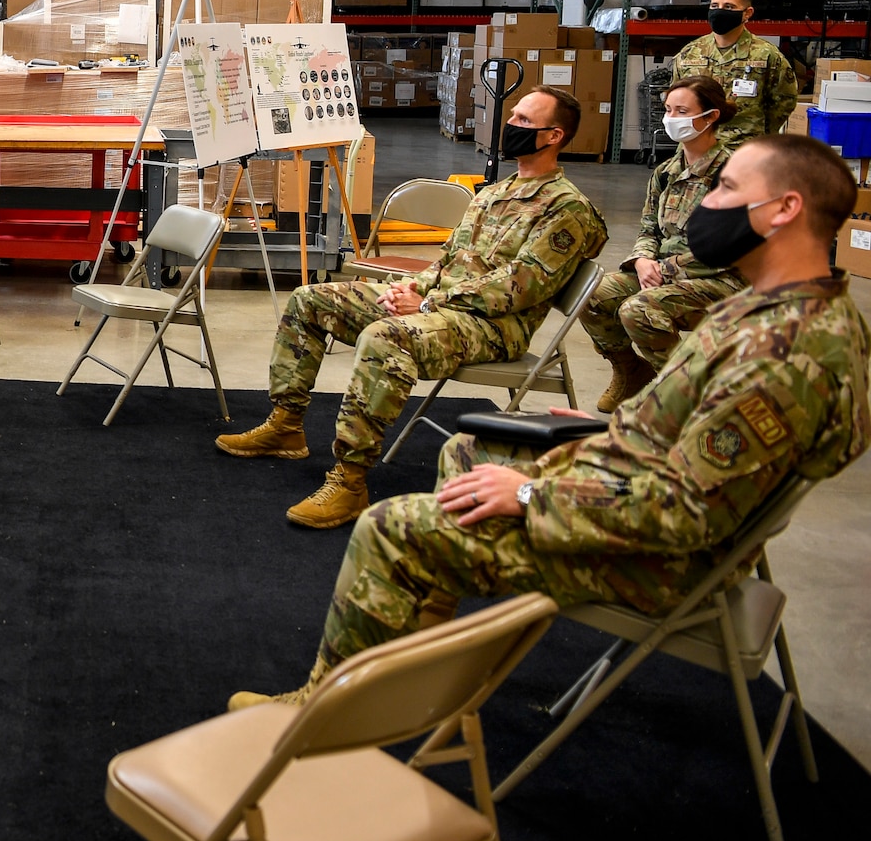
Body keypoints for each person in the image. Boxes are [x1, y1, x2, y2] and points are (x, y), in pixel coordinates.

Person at [230, 133, 871, 710]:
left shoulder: (784, 356)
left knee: (391, 528)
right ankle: (422, 665)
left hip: (659, 562)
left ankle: (330, 709)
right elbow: (689, 440)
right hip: (634, 484)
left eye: (728, 188)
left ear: (785, 209)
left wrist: (534, 492)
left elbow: (686, 514)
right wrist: (609, 433)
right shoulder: (770, 312)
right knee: (473, 449)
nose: (707, 202)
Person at [216, 85, 608, 529]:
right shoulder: (495, 192)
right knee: (310, 299)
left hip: (495, 327)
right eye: (513, 115)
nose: (510, 125)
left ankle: (349, 480)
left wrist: (428, 300)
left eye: (522, 120)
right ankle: (286, 424)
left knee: (384, 339)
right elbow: (448, 260)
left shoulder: (568, 210)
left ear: (554, 136)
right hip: (443, 309)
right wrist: (408, 289)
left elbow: (521, 288)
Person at [583, 76, 745, 412]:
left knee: (639, 310)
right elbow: (648, 228)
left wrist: (664, 268)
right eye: (669, 109)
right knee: (593, 296)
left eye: (682, 110)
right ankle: (630, 373)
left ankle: (686, 395)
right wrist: (643, 261)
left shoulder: (735, 172)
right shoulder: (666, 172)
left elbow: (731, 246)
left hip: (721, 280)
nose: (670, 118)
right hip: (664, 274)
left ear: (710, 117)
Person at [671, 0, 798, 146]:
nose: (719, 11)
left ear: (747, 13)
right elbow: (676, 98)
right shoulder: (690, 53)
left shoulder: (766, 55)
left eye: (729, 7)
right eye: (715, 6)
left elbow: (784, 101)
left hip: (745, 149)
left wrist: (761, 133)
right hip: (698, 147)